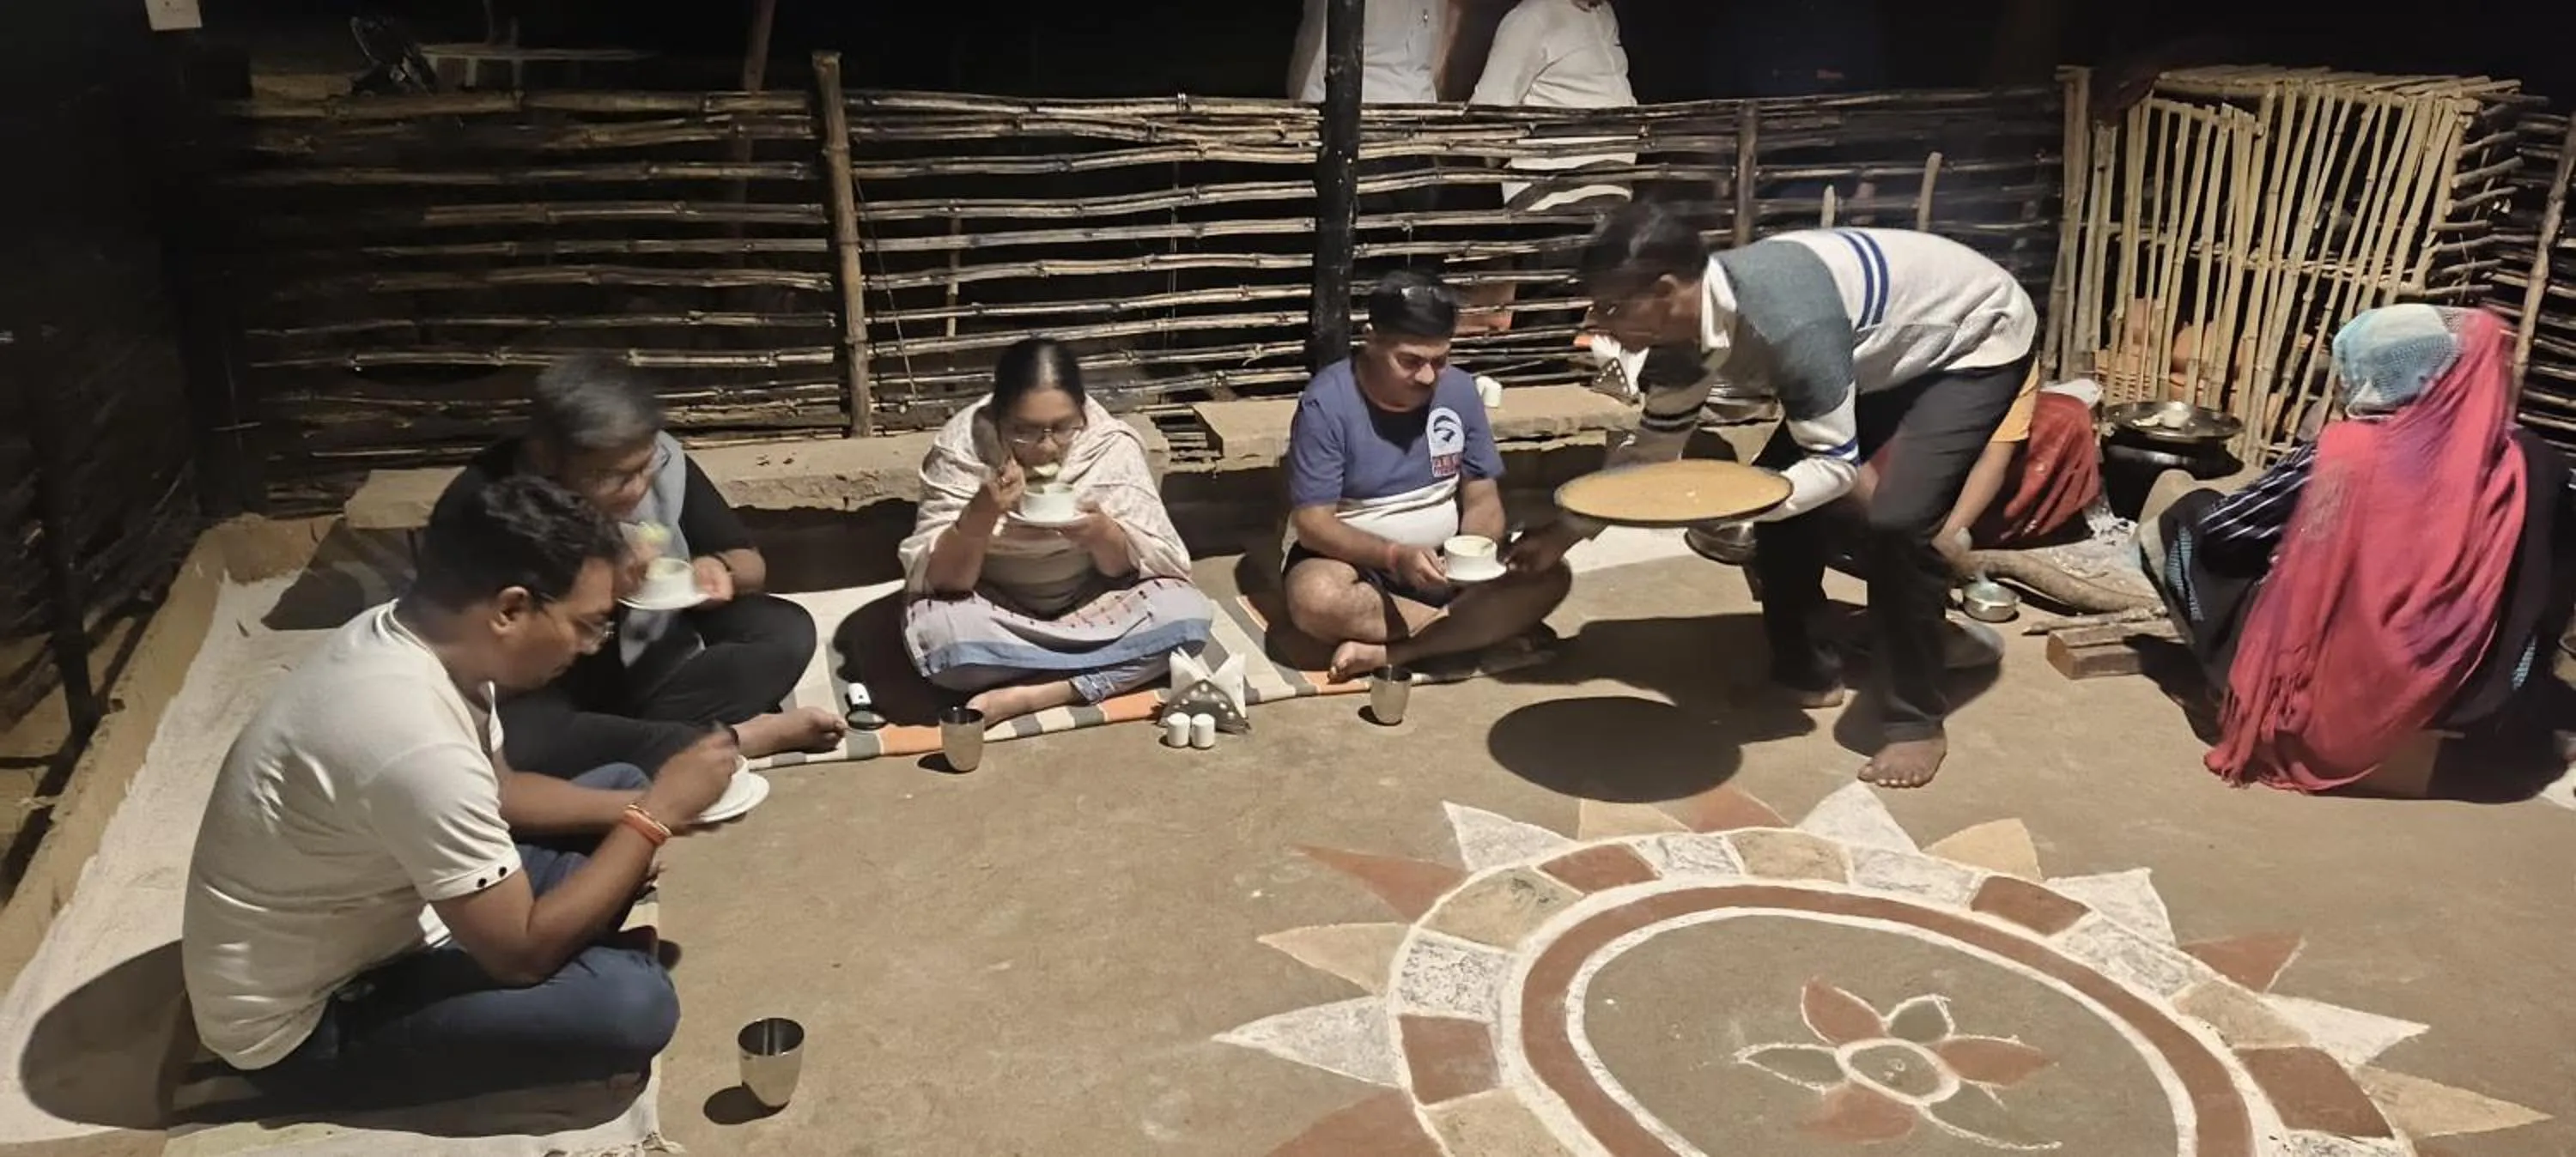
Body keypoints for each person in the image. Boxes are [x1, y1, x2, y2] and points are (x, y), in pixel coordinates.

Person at [184, 476, 739, 1110]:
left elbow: (502, 792)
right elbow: (520, 958)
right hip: (314, 1017)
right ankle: (592, 963)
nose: (590, 648)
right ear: (509, 609)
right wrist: (656, 816)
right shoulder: (410, 735)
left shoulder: (418, 638)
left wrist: (645, 808)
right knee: (632, 1005)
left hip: (395, 912)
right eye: (586, 627)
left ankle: (591, 941)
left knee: (620, 788)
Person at [1510, 203, 2038, 790]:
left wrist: (1725, 500)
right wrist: (1564, 534)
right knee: (1781, 505)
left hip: (1967, 341)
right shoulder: (1676, 336)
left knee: (1896, 522)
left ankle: (1916, 721)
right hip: (1871, 352)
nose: (1599, 323)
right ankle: (1808, 672)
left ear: (1665, 290)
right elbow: (1655, 448)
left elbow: (1834, 468)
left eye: (1610, 306)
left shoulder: (1787, 321)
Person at [2145, 305, 2576, 793]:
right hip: (2470, 687)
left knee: (2189, 519)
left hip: (2336, 695)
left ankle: (2237, 683)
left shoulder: (2350, 453)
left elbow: (2228, 533)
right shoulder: (2529, 462)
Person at [432, 356, 845, 778]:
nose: (639, 487)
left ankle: (644, 741)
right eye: (615, 477)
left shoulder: (656, 458)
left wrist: (716, 571)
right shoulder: (485, 506)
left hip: (655, 664)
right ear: (545, 458)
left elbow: (748, 561)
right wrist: (601, 583)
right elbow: (476, 658)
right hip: (551, 684)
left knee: (784, 630)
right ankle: (732, 740)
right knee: (519, 736)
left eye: (646, 466)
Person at [900, 337, 1215, 724]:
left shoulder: (1106, 445)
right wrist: (978, 518)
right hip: (991, 604)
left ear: (1082, 412)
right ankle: (1105, 665)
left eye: (1063, 428)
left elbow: (1141, 565)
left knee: (1187, 619)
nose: (1047, 448)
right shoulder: (963, 449)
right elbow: (945, 583)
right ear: (999, 415)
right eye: (1025, 431)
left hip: (1092, 601)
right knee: (946, 649)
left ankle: (1038, 693)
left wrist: (1101, 535)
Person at [1284, 270, 1573, 680]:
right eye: (1410, 361)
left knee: (1552, 576)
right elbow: (1313, 524)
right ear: (1371, 339)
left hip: (1447, 567)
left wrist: (1473, 555)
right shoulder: (1326, 404)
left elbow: (1482, 498)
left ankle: (1394, 653)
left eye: (1439, 361)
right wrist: (1393, 557)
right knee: (1316, 599)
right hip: (1360, 567)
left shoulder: (1459, 392)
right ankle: (1475, 629)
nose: (1426, 376)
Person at [1460, 0, 1638, 330]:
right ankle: (1530, 370)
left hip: (1608, 188)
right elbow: (1491, 106)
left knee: (1576, 301)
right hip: (1556, 193)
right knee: (1548, 306)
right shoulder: (1531, 19)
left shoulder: (1602, 14)